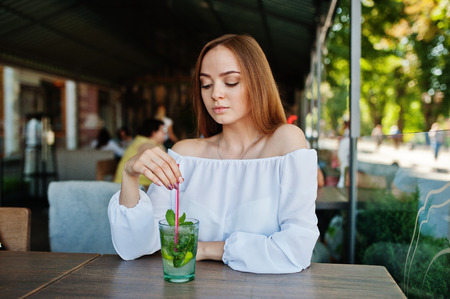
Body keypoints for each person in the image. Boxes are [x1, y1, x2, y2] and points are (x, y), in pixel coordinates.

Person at [108, 34, 319, 274]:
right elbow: (136, 246)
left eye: (230, 82)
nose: (215, 94)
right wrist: (129, 176)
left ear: (258, 83)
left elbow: (296, 250)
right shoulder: (184, 155)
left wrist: (208, 249)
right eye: (206, 84)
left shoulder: (286, 142)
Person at [113, 119, 166, 188]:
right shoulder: (144, 144)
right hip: (128, 186)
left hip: (135, 184)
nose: (165, 134)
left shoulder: (149, 142)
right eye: (163, 131)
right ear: (154, 132)